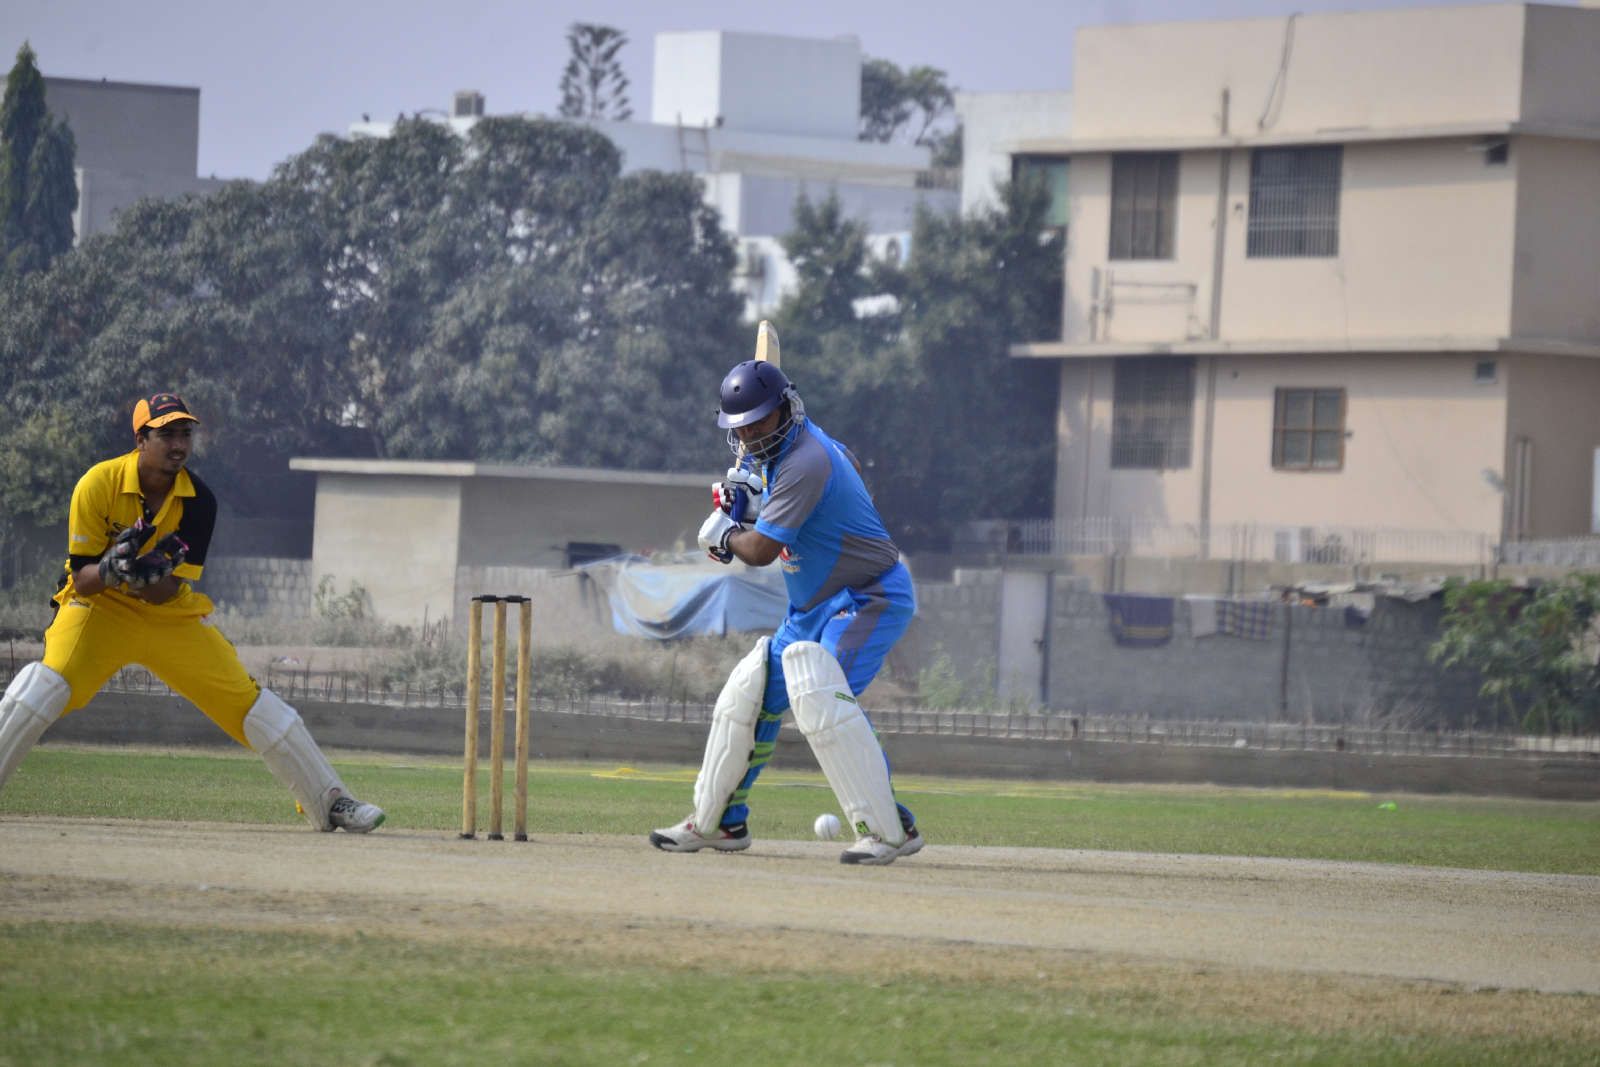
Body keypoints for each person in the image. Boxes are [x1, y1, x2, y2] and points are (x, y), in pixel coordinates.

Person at [0, 392, 384, 833]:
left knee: (252, 705)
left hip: (168, 616)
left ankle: (331, 801)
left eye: (185, 433)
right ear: (141, 440)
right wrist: (111, 569)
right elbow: (83, 578)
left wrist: (139, 575)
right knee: (44, 686)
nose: (179, 444)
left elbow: (167, 591)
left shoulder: (199, 501)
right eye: (166, 435)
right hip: (99, 608)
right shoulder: (98, 483)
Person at [650, 361, 922, 865]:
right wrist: (762, 503)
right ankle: (720, 823)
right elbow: (851, 463)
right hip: (810, 608)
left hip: (869, 597)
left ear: (785, 409)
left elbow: (760, 552)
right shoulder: (796, 453)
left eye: (759, 423)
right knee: (748, 694)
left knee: (820, 690)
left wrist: (728, 533)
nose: (750, 436)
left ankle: (891, 829)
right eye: (741, 428)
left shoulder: (804, 462)